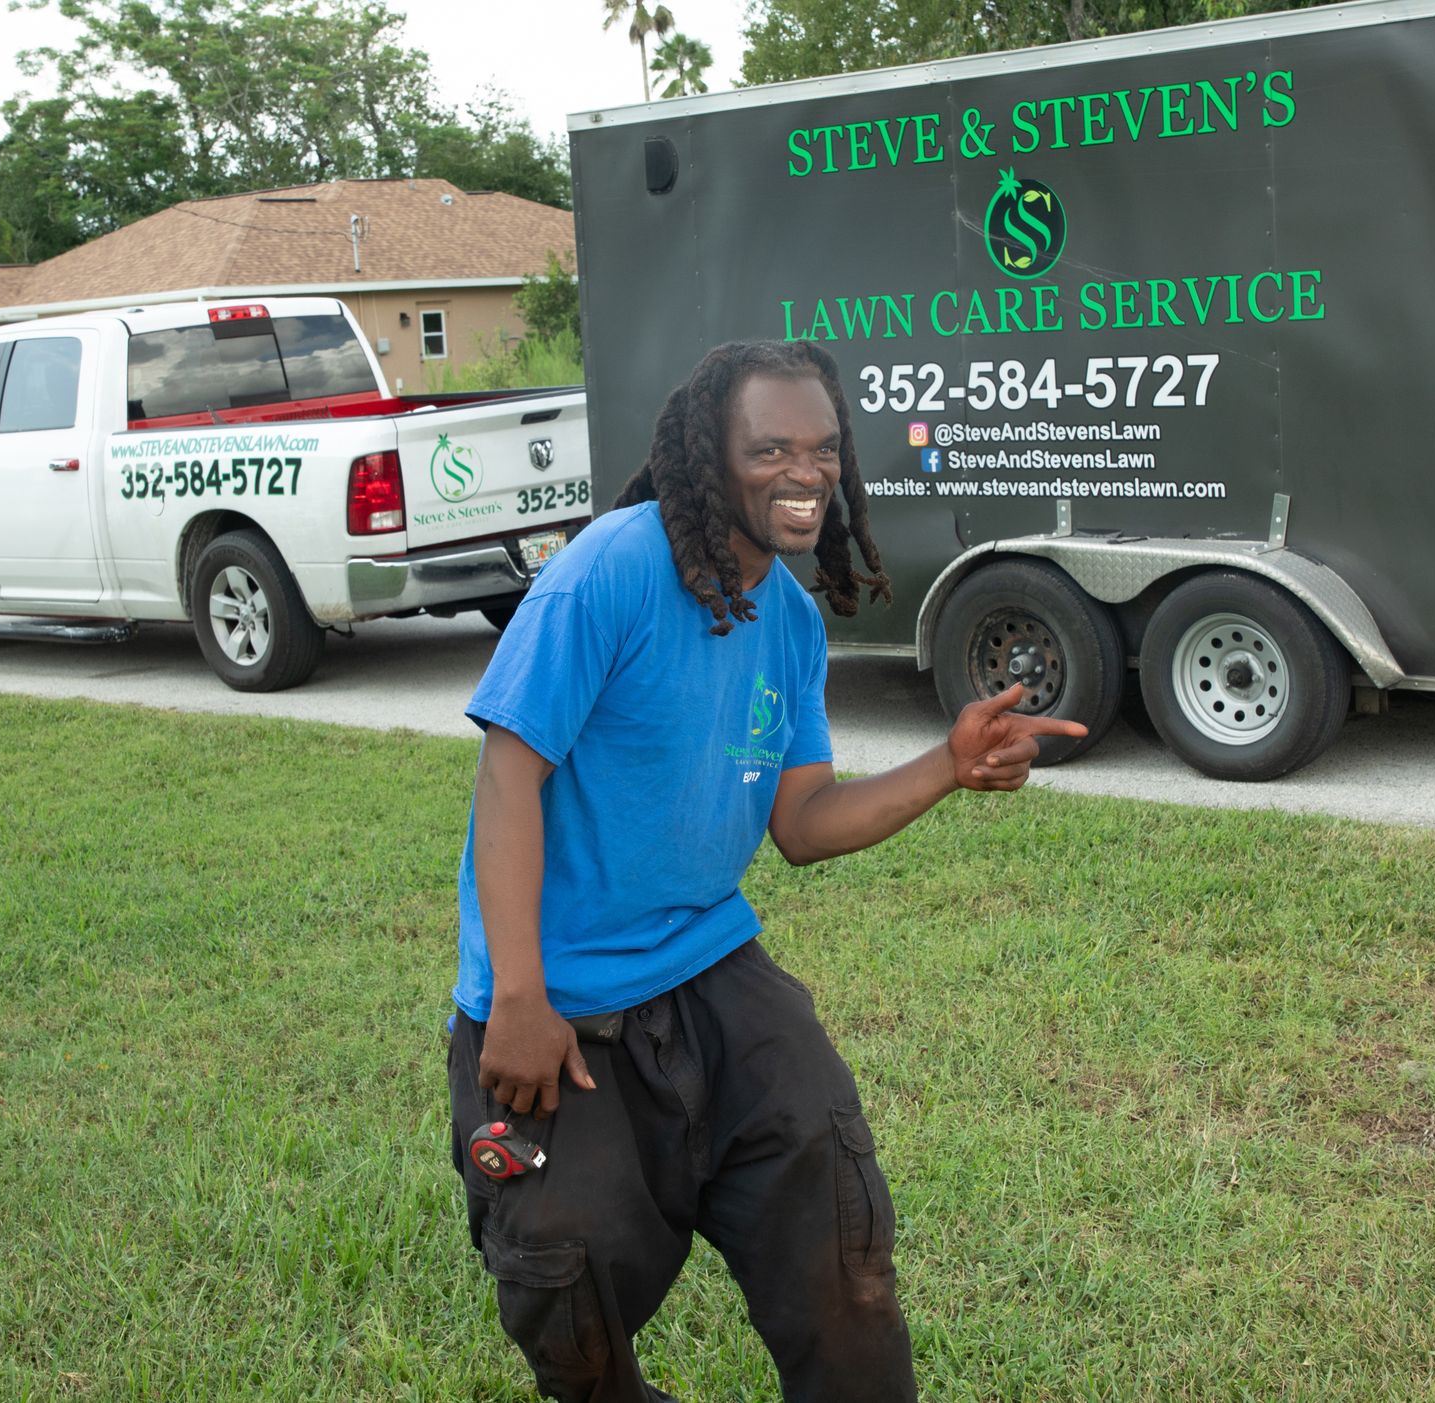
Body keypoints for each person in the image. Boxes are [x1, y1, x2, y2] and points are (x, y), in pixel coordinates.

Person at [447, 339, 1084, 1402]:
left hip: (712, 965)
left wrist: (948, 764)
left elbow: (802, 819)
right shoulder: (609, 569)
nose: (806, 471)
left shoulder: (786, 615)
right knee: (572, 1294)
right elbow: (508, 773)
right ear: (711, 455)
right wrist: (517, 995)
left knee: (844, 1250)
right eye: (772, 447)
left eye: (825, 448)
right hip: (563, 996)